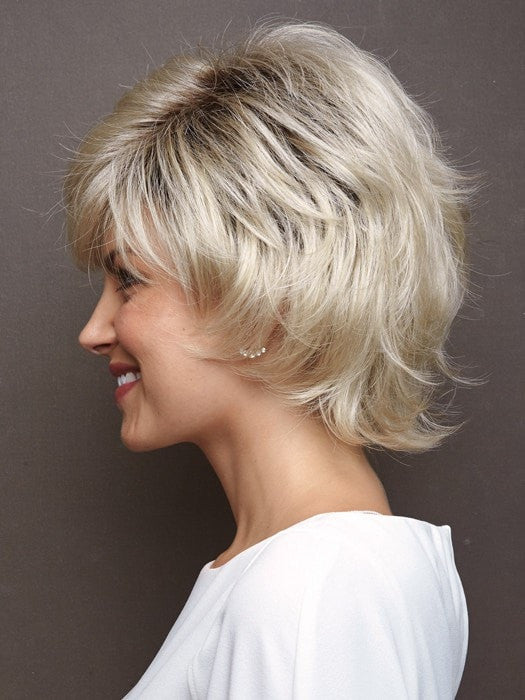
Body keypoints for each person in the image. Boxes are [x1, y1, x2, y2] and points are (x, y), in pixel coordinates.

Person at [64, 19, 474, 699]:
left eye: (128, 280)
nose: (94, 331)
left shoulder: (316, 582)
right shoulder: (303, 573)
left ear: (263, 298)